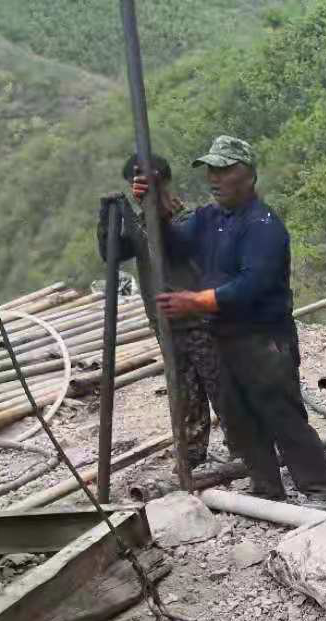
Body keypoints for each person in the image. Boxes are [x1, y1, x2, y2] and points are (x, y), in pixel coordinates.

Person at [134, 135, 326, 509]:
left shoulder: (263, 224)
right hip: (221, 335)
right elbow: (174, 247)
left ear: (249, 176)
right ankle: (266, 486)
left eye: (224, 170)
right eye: (211, 170)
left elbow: (253, 284)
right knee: (239, 418)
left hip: (263, 339)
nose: (214, 178)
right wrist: (156, 208)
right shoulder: (209, 219)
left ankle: (320, 489)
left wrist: (197, 301)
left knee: (281, 414)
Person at [98, 153, 226, 467]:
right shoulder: (141, 224)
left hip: (201, 321)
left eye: (147, 183)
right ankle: (193, 455)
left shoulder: (188, 217)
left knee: (223, 388)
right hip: (166, 325)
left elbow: (171, 244)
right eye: (136, 184)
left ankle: (248, 450)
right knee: (185, 394)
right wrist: (107, 218)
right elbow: (111, 254)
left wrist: (154, 210)